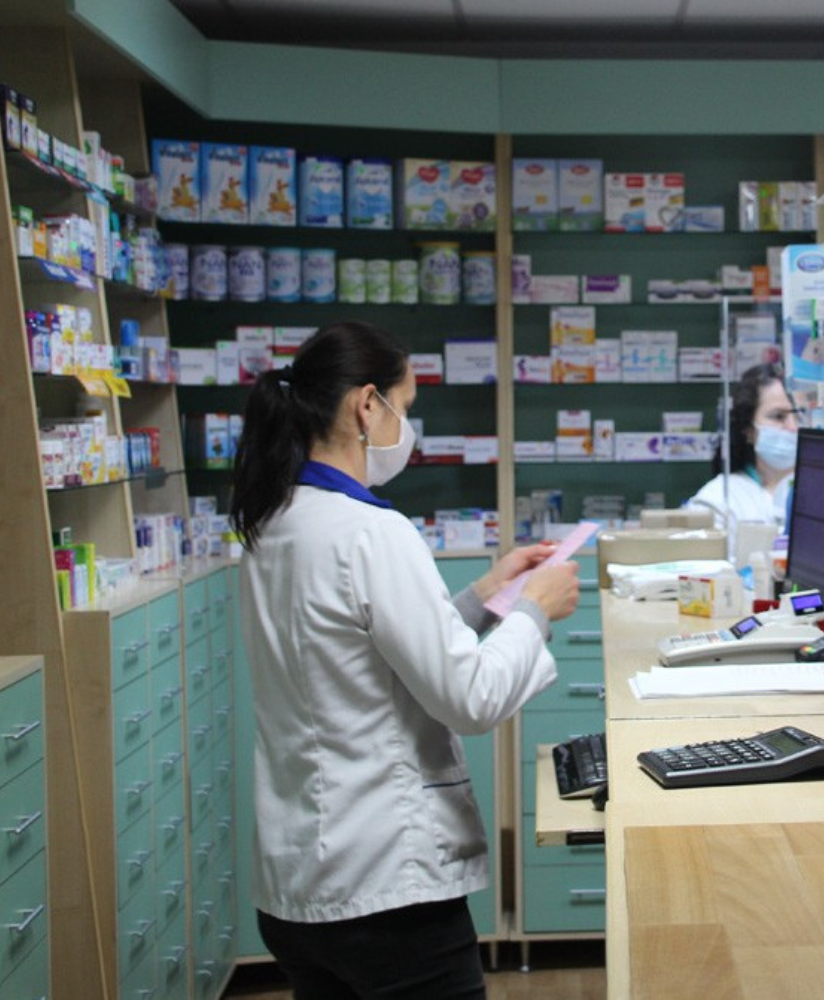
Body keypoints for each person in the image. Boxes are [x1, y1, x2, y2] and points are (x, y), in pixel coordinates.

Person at [230, 320, 580, 999]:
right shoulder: (372, 532)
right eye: (405, 407)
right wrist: (535, 610)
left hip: (297, 891)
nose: (406, 429)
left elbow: (361, 658)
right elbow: (472, 699)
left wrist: (491, 594)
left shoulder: (275, 521)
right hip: (388, 891)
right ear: (367, 405)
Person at [685, 362, 800, 529]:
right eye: (778, 416)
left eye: (798, 416)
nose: (793, 427)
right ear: (748, 431)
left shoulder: (820, 490)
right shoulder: (718, 501)